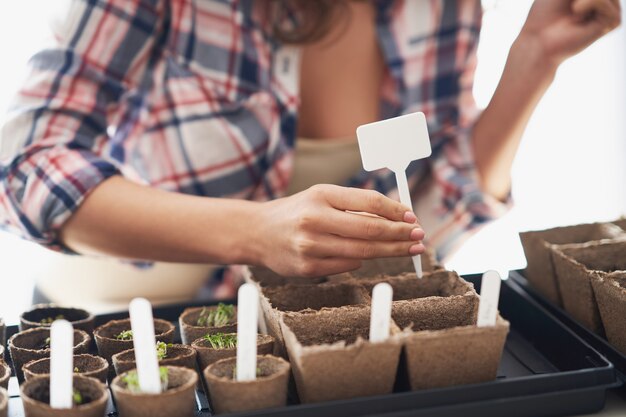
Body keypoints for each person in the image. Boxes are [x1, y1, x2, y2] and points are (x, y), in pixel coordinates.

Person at [0, 0, 620, 300]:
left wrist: (535, 57)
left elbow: (427, 214)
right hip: (109, 316)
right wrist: (253, 232)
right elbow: (24, 169)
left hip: (284, 334)